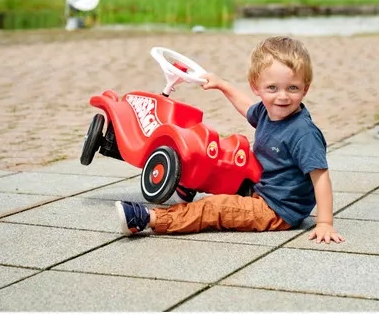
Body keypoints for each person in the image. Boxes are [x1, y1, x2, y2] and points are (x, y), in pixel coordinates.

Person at [115, 36, 345, 245]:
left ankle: (149, 218)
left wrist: (325, 222)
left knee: (214, 209)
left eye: (292, 88)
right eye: (272, 88)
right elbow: (247, 108)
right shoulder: (267, 111)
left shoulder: (303, 133)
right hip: (260, 187)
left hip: (277, 209)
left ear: (305, 89)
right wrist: (222, 85)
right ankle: (188, 185)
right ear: (256, 87)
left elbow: (321, 177)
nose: (282, 96)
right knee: (218, 160)